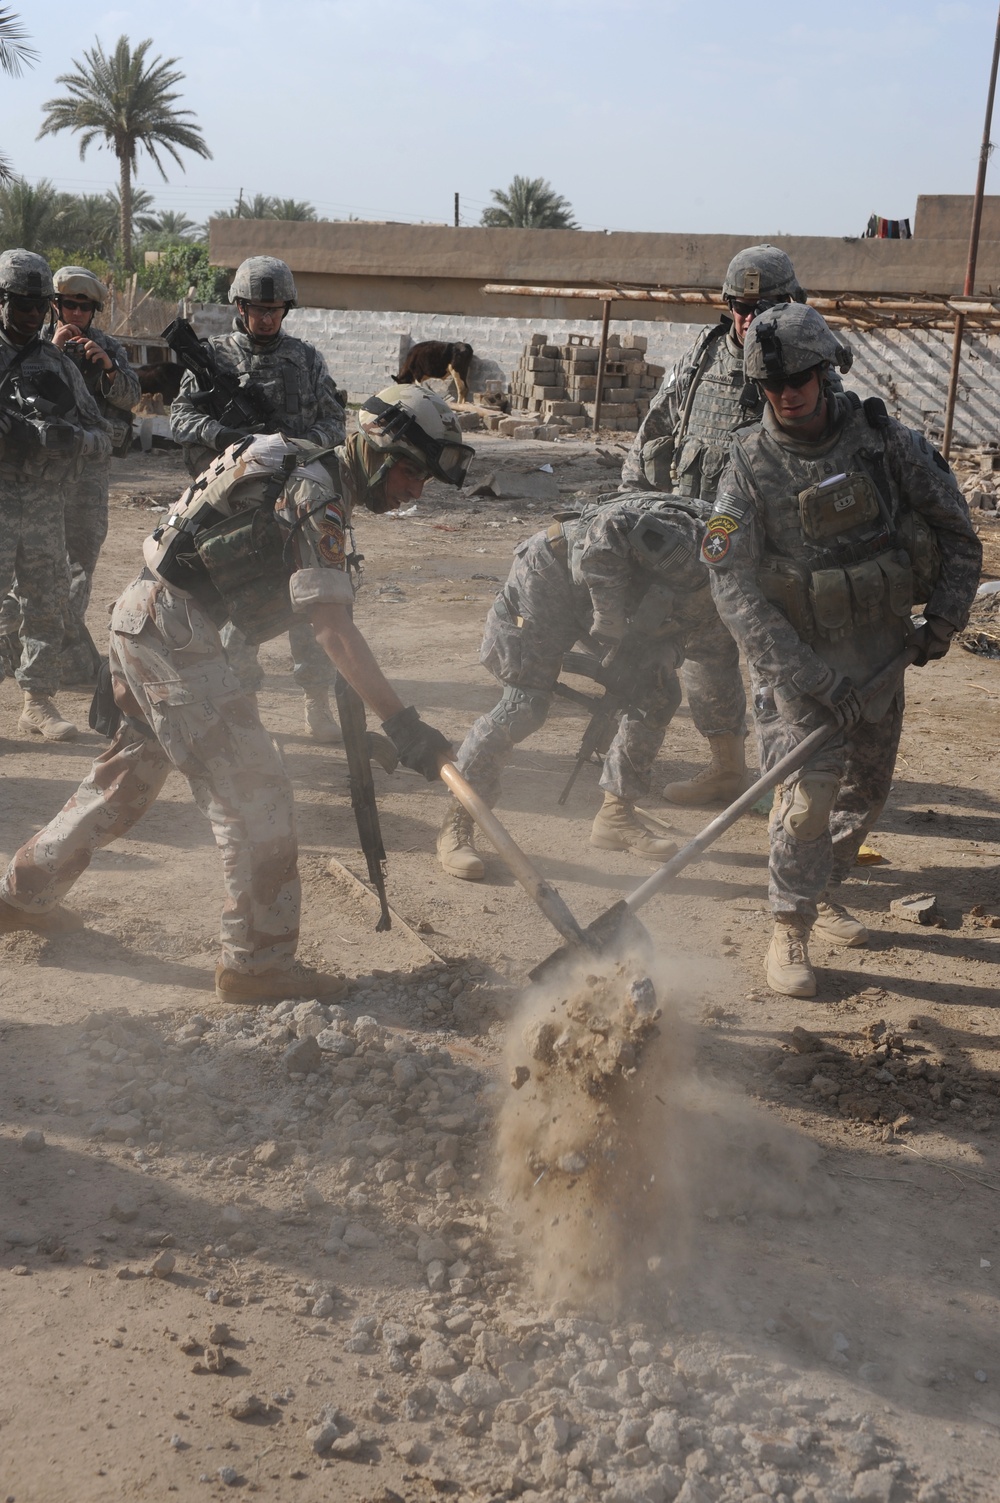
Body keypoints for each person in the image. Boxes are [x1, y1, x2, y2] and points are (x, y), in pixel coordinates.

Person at [0, 385, 475, 1006]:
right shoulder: (319, 494)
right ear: (378, 450)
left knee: (125, 779)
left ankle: (22, 895)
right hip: (174, 634)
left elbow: (184, 545)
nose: (416, 491)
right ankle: (258, 963)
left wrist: (131, 647)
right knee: (256, 794)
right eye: (412, 471)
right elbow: (331, 626)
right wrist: (405, 725)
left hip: (151, 617)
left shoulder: (298, 462)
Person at [704, 303, 981, 998]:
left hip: (879, 658)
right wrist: (802, 672)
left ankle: (822, 885)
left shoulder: (883, 444)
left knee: (865, 793)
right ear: (758, 386)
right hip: (796, 668)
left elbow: (958, 533)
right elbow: (730, 584)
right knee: (809, 796)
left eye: (800, 376)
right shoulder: (745, 464)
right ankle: (790, 922)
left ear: (826, 371)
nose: (788, 392)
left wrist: (944, 619)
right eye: (772, 383)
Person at [436, 492, 745, 880]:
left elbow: (704, 643)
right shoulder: (701, 547)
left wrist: (659, 656)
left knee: (656, 693)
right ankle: (458, 823)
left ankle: (616, 816)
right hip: (551, 578)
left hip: (622, 608)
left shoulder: (740, 592)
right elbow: (607, 533)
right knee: (524, 705)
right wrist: (611, 621)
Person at [620, 244, 806, 808]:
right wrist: (632, 514)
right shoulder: (701, 362)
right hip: (694, 545)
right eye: (740, 307)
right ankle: (727, 768)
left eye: (765, 307)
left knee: (779, 666)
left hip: (771, 553)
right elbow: (652, 438)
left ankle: (789, 780)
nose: (749, 320)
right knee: (706, 656)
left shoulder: (804, 367)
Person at [170, 255, 347, 744]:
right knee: (238, 604)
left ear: (286, 308)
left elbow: (334, 425)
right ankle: (241, 708)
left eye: (274, 309)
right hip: (235, 506)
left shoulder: (307, 360)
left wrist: (291, 449)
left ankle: (316, 702)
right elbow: (180, 418)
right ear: (239, 306)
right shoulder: (214, 357)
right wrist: (227, 436)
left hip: (297, 501)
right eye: (256, 308)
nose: (266, 318)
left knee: (311, 600)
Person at [0, 249, 111, 740]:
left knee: (45, 605)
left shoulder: (57, 364)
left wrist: (70, 440)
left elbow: (104, 435)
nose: (28, 313)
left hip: (45, 504)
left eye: (37, 305)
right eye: (19, 303)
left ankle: (37, 703)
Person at [47, 266, 140, 685]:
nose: (77, 314)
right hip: (43, 471)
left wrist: (108, 370)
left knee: (81, 559)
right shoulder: (34, 345)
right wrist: (52, 351)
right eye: (70, 305)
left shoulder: (108, 347)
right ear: (55, 305)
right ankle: (35, 645)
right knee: (34, 563)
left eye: (85, 308)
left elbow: (133, 396)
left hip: (89, 472)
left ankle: (65, 648)